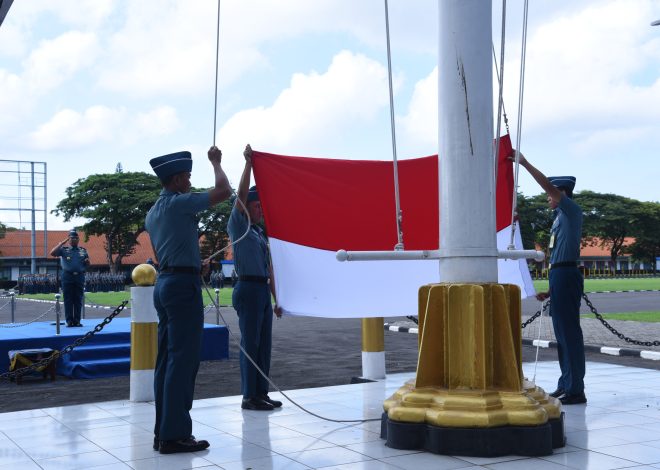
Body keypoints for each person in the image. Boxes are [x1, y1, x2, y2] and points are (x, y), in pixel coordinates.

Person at [145, 146, 231, 454]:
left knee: (167, 361)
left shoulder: (153, 212)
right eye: (189, 177)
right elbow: (224, 191)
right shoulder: (179, 204)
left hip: (167, 281)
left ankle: (163, 432)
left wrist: (195, 264)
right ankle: (176, 435)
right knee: (183, 361)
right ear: (178, 179)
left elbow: (162, 254)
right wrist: (216, 163)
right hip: (182, 287)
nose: (191, 182)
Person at [513, 151, 586, 405]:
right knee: (562, 336)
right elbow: (557, 257)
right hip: (560, 277)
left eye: (551, 193)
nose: (547, 197)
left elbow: (546, 185)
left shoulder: (571, 212)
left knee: (570, 334)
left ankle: (576, 389)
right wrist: (551, 291)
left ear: (562, 193)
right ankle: (567, 384)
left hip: (566, 274)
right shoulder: (558, 221)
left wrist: (524, 163)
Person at [228, 144, 283, 411]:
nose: (261, 210)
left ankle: (261, 392)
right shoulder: (238, 224)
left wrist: (277, 298)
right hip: (247, 287)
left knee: (263, 346)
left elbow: (270, 268)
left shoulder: (260, 234)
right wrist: (248, 164)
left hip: (261, 289)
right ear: (246, 207)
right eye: (256, 205)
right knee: (250, 344)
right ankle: (249, 395)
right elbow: (239, 195)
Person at [50, 229, 90, 327]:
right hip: (67, 276)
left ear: (78, 239)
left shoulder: (83, 250)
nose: (74, 240)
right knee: (68, 299)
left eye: (76, 238)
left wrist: (87, 263)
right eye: (72, 238)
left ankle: (77, 321)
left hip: (80, 276)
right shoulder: (64, 250)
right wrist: (61, 243)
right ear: (68, 240)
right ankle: (69, 321)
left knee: (78, 299)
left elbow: (87, 263)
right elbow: (52, 253)